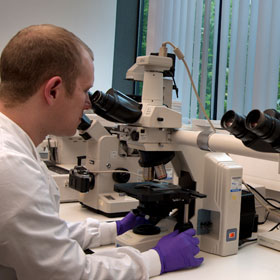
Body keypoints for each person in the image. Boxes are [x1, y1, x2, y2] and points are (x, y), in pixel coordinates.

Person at [0, 24, 203, 280]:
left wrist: (113, 229)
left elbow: (38, 236)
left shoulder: (13, 147)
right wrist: (155, 260)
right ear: (53, 90)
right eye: (85, 91)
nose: (88, 103)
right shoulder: (10, 167)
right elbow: (69, 274)